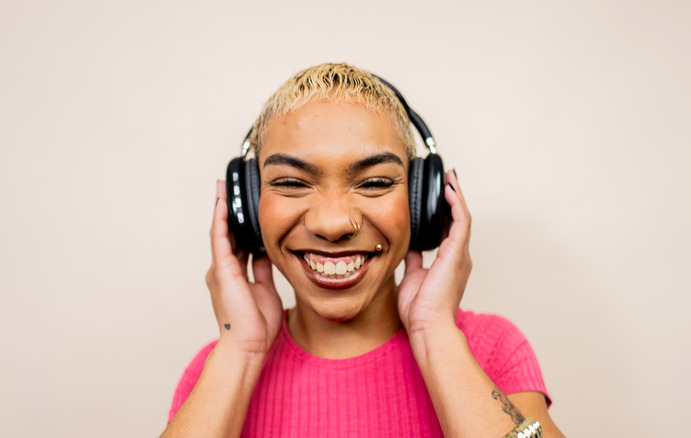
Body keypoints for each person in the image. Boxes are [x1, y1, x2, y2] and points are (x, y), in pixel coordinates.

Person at [161, 63, 564, 437]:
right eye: (291, 183)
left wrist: (435, 335)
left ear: (423, 201)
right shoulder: (218, 371)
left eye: (374, 183)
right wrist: (241, 351)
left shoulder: (491, 349)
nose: (333, 224)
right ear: (247, 208)